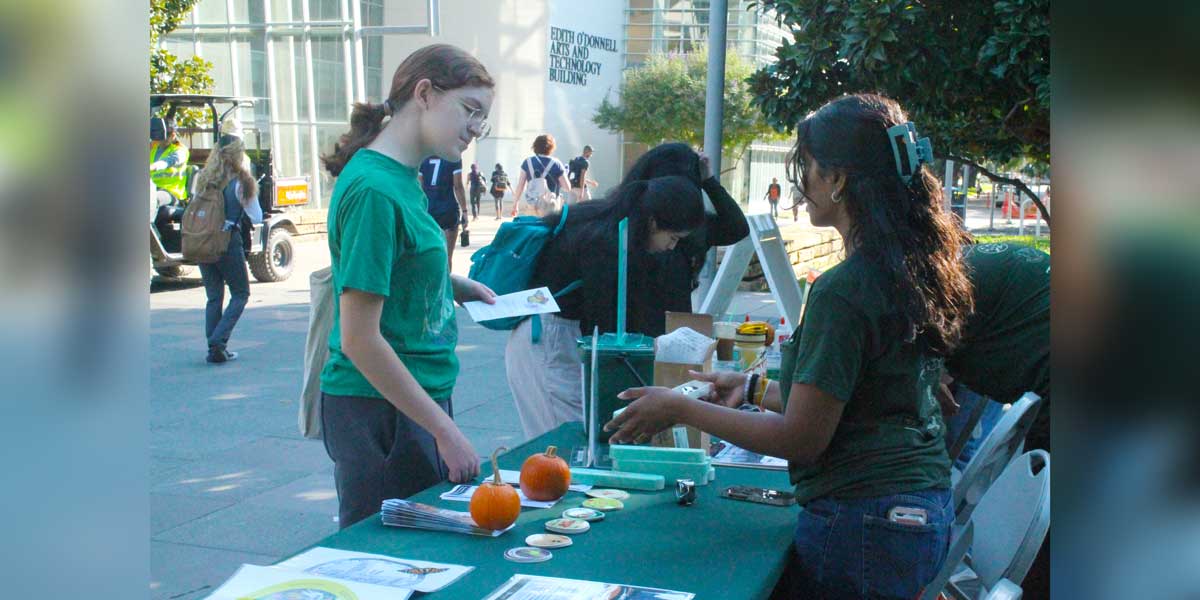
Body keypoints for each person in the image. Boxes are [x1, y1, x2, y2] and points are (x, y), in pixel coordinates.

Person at [606, 94, 974, 600]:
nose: (803, 186)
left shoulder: (845, 289)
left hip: (863, 523)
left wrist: (680, 409)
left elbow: (802, 439)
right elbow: (853, 401)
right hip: (912, 513)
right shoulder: (911, 268)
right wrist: (752, 387)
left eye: (808, 168)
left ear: (839, 179)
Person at [318, 43, 497, 529]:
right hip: (383, 412)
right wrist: (445, 431)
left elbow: (394, 267)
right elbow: (359, 338)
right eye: (470, 110)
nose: (475, 128)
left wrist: (452, 284)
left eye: (482, 118)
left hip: (411, 400)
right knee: (395, 564)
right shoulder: (376, 190)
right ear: (424, 93)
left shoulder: (401, 176)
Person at [505, 175, 706, 439]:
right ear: (653, 222)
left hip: (553, 334)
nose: (672, 246)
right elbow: (603, 323)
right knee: (566, 440)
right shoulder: (606, 244)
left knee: (575, 435)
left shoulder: (606, 221)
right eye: (673, 237)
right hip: (550, 339)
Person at [619, 142, 749, 336]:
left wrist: (709, 181)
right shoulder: (626, 228)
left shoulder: (693, 230)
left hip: (675, 339)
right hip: (635, 341)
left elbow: (737, 228)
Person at [194, 119, 261, 364]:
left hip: (202, 242)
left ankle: (215, 349)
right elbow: (257, 216)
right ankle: (218, 341)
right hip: (226, 242)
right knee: (241, 293)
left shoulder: (202, 178)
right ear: (238, 155)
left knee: (214, 296)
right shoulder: (241, 181)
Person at [418, 155, 469, 269]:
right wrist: (464, 211)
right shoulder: (453, 157)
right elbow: (458, 186)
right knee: (447, 256)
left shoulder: (424, 158)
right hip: (448, 210)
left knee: (428, 254)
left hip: (428, 211)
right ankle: (445, 285)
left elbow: (420, 188)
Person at [511, 134, 571, 217]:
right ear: (551, 147)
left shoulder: (527, 162)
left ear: (535, 146)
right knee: (548, 229)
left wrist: (515, 204)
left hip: (532, 204)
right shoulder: (557, 163)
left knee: (532, 229)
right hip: (550, 205)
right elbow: (567, 188)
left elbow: (520, 186)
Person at [150, 116, 190, 223]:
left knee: (152, 200)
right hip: (154, 189)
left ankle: (150, 234)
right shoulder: (153, 150)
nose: (159, 140)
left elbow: (170, 161)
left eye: (163, 137)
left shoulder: (180, 150)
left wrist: (153, 166)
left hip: (172, 194)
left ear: (172, 135)